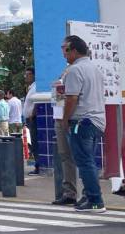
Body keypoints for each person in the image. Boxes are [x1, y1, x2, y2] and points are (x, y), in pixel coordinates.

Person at [60, 35, 107, 213]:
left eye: (65, 49)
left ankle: (95, 201)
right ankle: (89, 196)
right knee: (89, 161)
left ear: (74, 50)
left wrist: (65, 120)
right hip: (97, 121)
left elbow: (72, 98)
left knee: (84, 162)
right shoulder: (95, 68)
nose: (63, 53)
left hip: (82, 121)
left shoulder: (74, 70)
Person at [51, 69, 78, 206]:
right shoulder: (64, 75)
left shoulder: (77, 71)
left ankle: (88, 194)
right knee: (64, 156)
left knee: (81, 158)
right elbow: (59, 99)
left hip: (73, 119)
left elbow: (72, 98)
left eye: (67, 48)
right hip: (60, 116)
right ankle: (69, 192)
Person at [23, 67, 41, 175]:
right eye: (26, 74)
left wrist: (32, 114)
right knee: (34, 143)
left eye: (28, 74)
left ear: (34, 75)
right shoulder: (31, 87)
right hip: (30, 119)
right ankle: (37, 165)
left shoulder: (36, 87)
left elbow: (37, 101)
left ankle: (38, 166)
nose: (26, 76)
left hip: (33, 119)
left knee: (35, 143)